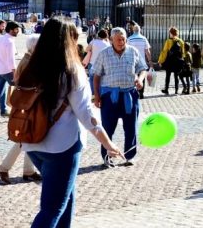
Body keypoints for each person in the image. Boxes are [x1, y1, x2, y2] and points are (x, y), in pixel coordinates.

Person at [17, 17, 124, 227]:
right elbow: (87, 115)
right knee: (52, 209)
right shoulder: (72, 70)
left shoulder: (31, 66)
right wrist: (107, 143)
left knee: (66, 196)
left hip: (32, 140)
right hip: (62, 146)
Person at [92, 27, 147, 168]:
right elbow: (96, 76)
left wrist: (140, 79)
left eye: (123, 39)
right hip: (110, 97)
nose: (121, 42)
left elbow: (142, 69)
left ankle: (129, 156)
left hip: (129, 95)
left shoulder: (133, 51)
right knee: (107, 128)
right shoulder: (104, 54)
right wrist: (97, 96)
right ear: (111, 40)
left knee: (131, 128)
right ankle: (107, 157)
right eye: (118, 40)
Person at [157, 27, 188, 95]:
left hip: (169, 61)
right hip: (177, 61)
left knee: (168, 75)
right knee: (176, 76)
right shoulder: (181, 41)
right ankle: (176, 90)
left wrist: (160, 60)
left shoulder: (168, 41)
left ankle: (166, 89)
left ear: (171, 33)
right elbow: (183, 53)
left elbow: (164, 52)